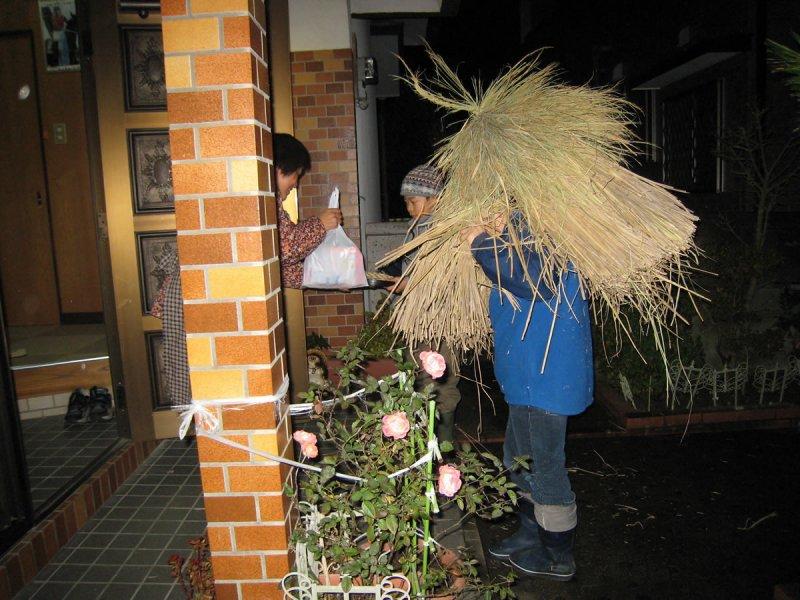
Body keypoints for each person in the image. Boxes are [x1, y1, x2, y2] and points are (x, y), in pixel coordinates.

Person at [462, 214, 593, 581]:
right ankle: (531, 531)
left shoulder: (544, 226)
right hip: (526, 372)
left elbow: (536, 280)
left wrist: (480, 243)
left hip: (547, 373)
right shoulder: (516, 229)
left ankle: (558, 554)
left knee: (544, 464)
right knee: (516, 459)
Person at [391, 165, 461, 444]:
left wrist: (403, 285)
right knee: (419, 378)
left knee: (441, 381)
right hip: (419, 321)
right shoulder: (417, 230)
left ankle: (441, 448)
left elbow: (438, 281)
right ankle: (424, 443)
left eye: (413, 201)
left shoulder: (441, 231)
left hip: (440, 322)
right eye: (406, 202)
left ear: (434, 199)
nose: (409, 208)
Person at [273, 133, 342, 288]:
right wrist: (321, 224)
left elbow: (285, 271)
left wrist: (333, 279)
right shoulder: (266, 203)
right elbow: (286, 248)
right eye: (297, 174)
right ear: (279, 168)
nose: (296, 184)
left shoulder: (268, 202)